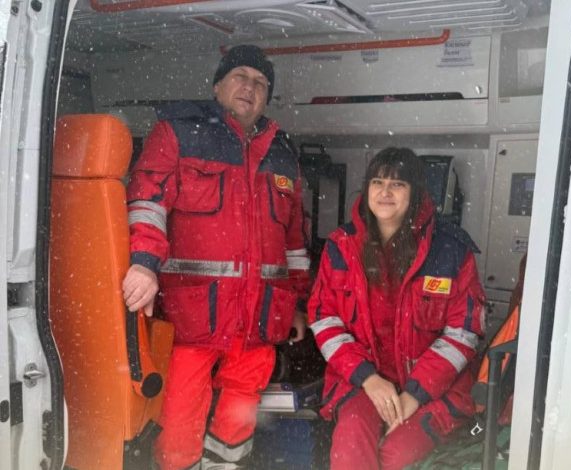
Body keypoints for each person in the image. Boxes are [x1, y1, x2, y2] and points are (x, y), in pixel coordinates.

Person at [121, 45, 310, 470]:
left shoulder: (283, 153)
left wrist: (297, 303)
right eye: (241, 76)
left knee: (237, 421)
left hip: (259, 320)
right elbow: (147, 202)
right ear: (217, 86)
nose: (250, 87)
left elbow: (294, 242)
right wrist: (143, 264)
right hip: (190, 317)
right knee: (179, 420)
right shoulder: (177, 134)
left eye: (261, 83)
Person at [308, 148, 486, 470]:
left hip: (434, 388)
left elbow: (464, 333)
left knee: (396, 455)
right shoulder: (341, 246)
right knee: (350, 444)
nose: (385, 192)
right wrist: (368, 379)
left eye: (398, 184)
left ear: (415, 193)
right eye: (377, 182)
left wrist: (414, 395)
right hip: (364, 381)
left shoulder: (451, 250)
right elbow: (324, 320)